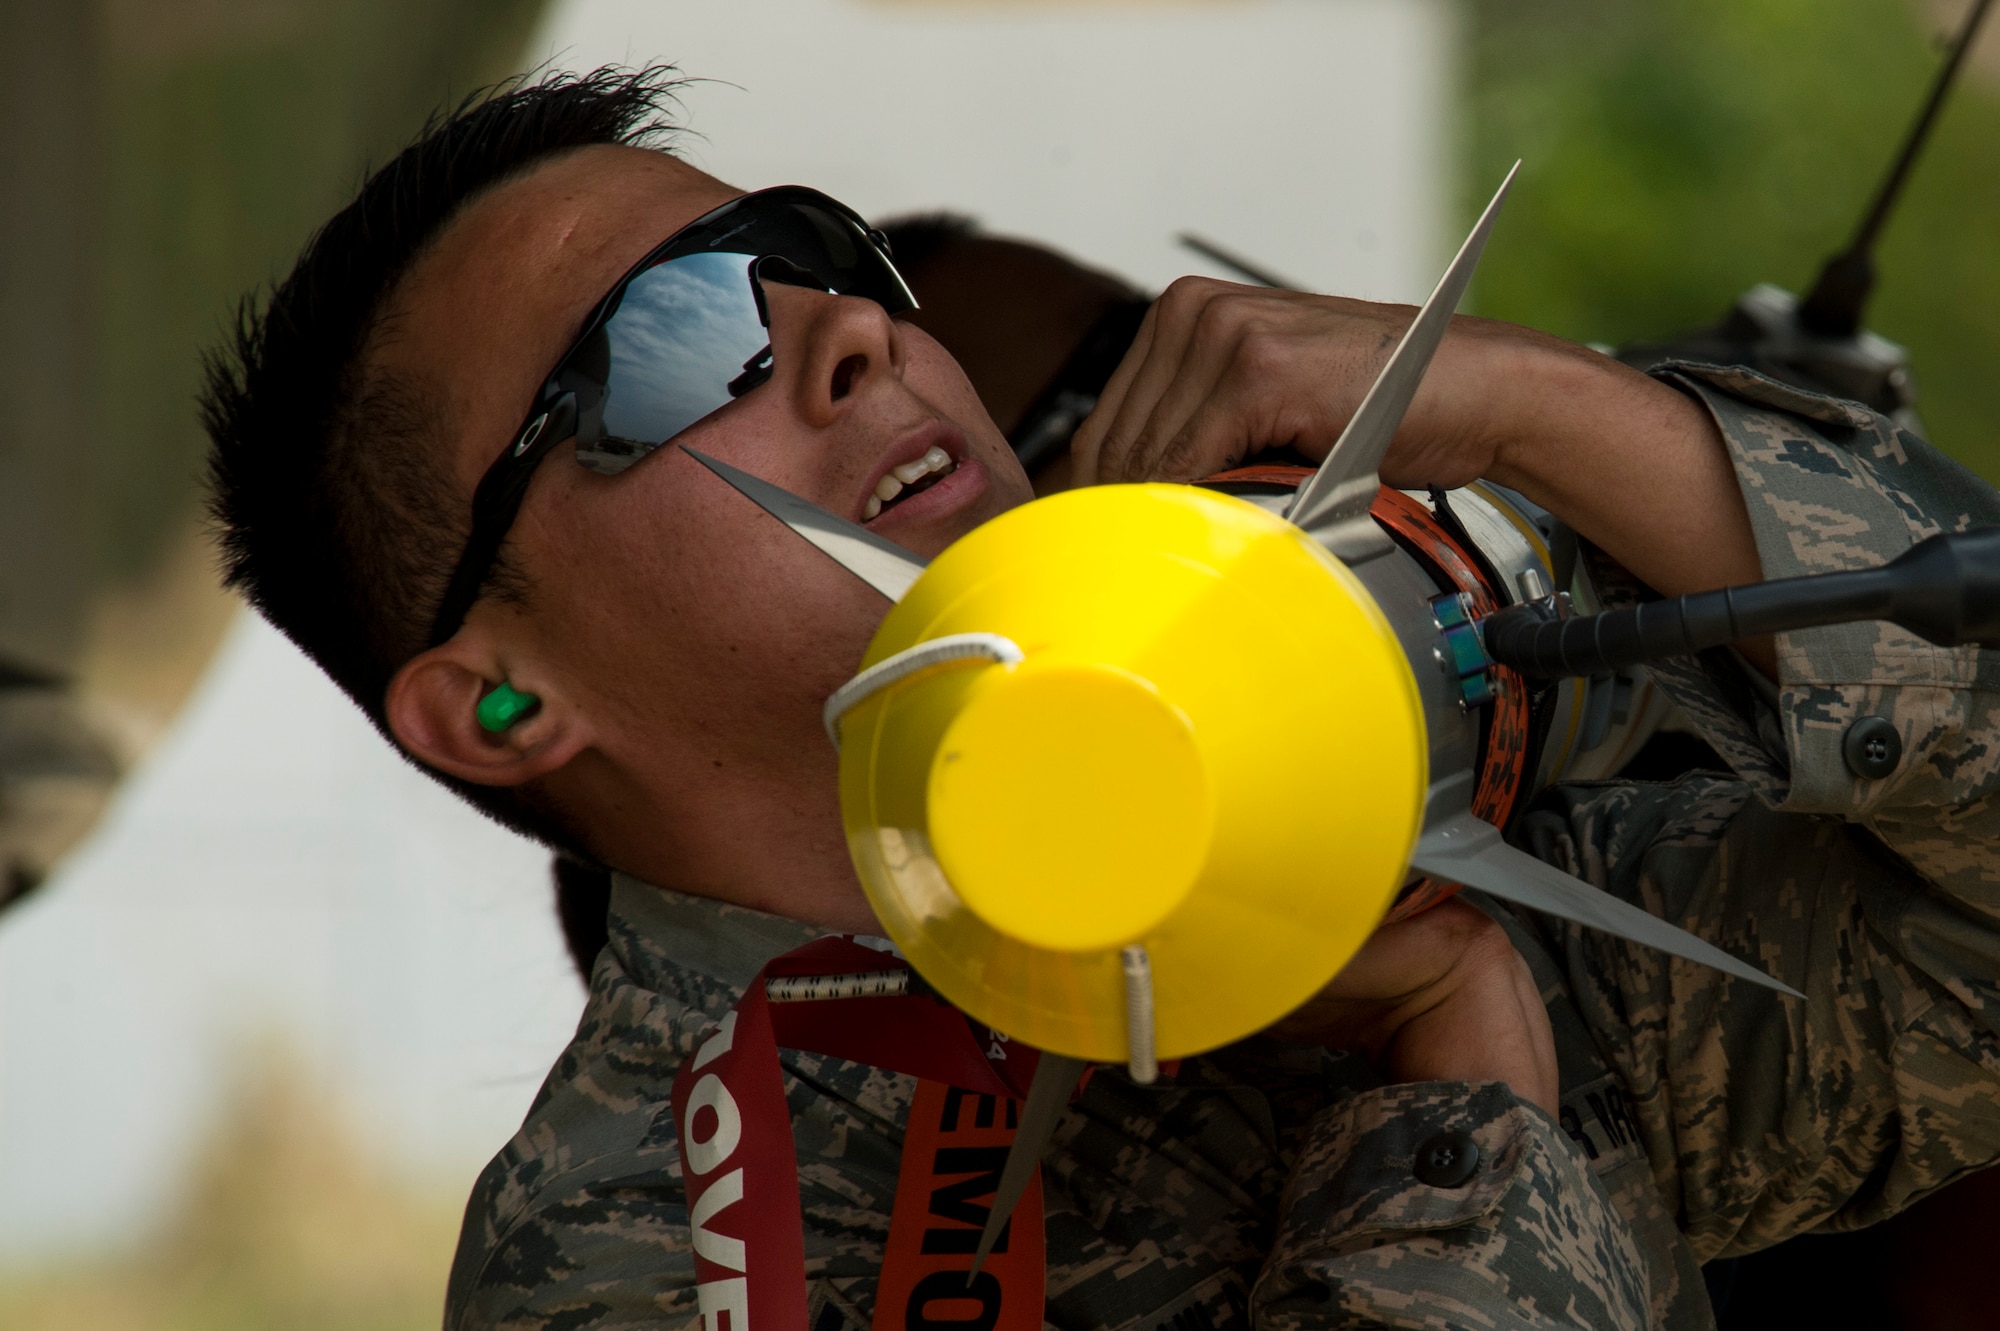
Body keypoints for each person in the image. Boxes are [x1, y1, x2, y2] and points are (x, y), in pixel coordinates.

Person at [200, 68, 2000, 1330]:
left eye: (815, 252)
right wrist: (1457, 1079)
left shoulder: (1362, 846)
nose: (857, 334)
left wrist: (1542, 412)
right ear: (500, 708)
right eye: (676, 346)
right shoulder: (635, 1256)